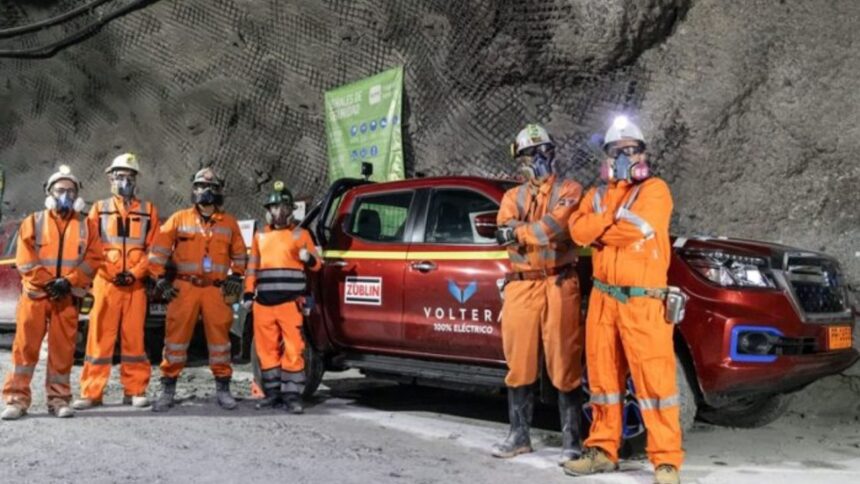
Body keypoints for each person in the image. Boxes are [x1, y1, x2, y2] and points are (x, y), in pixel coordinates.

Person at [564, 116, 682, 484]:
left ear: (643, 154)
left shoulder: (655, 190)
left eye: (631, 150)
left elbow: (635, 228)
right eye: (617, 151)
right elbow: (577, 230)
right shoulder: (596, 194)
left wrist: (601, 226)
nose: (624, 156)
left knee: (655, 383)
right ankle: (602, 450)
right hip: (603, 299)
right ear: (607, 156)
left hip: (643, 302)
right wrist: (606, 222)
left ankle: (665, 461)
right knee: (603, 380)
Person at [492, 124, 585, 464]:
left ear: (552, 152)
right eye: (529, 154)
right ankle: (519, 436)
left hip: (559, 284)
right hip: (521, 285)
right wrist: (529, 232)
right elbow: (504, 233)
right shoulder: (510, 197)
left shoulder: (571, 189)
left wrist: (521, 232)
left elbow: (555, 228)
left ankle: (572, 440)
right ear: (520, 161)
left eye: (542, 151)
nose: (537, 158)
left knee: (565, 362)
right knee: (519, 363)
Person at [1, 165, 102, 420]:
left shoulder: (86, 225)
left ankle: (59, 400)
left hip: (66, 298)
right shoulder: (33, 222)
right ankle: (16, 399)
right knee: (24, 350)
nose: (65, 195)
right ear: (49, 193)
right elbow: (25, 261)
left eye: (70, 191)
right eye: (60, 190)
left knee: (62, 352)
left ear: (77, 195)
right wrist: (50, 283)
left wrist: (69, 281)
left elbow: (93, 259)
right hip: (36, 297)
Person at [147, 167, 247, 412]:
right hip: (184, 287)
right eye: (200, 187)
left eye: (211, 188)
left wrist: (236, 275)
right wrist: (159, 279)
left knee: (220, 341)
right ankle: (167, 388)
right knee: (175, 340)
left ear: (219, 192)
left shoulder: (229, 223)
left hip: (216, 289)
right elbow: (157, 253)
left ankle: (223, 388)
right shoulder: (179, 219)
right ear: (194, 190)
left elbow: (241, 255)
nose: (205, 192)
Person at [73, 153, 159, 410]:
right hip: (105, 283)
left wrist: (136, 272)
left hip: (135, 285)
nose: (124, 181)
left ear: (136, 180)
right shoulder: (99, 209)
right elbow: (92, 246)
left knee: (134, 339)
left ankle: (135, 390)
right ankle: (91, 393)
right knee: (99, 338)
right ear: (111, 179)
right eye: (120, 176)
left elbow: (155, 250)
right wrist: (111, 271)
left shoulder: (148, 211)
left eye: (129, 176)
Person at [243, 181, 321, 414]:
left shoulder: (301, 234)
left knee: (293, 349)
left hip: (290, 303)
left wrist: (309, 259)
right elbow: (251, 268)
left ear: (291, 210)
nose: (279, 213)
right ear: (268, 211)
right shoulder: (259, 237)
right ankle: (272, 394)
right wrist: (248, 292)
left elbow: (318, 266)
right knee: (266, 352)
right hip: (263, 303)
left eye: (284, 208)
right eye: (275, 208)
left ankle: (292, 395)